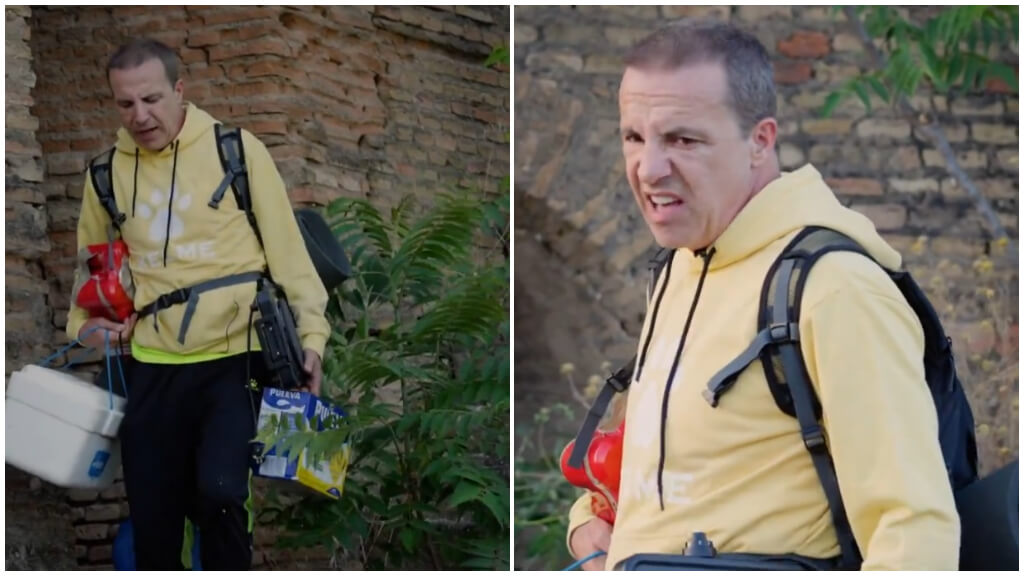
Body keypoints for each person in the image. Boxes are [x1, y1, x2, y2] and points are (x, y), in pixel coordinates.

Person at [566, 19, 959, 570]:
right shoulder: (681, 265)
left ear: (760, 141)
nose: (648, 169)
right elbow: (688, 469)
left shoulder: (835, 288)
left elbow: (912, 530)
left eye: (683, 139)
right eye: (634, 137)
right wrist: (591, 529)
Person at [66, 38, 330, 570]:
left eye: (152, 99)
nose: (140, 115)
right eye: (125, 104)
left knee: (220, 494)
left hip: (238, 359)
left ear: (179, 91)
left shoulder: (236, 149)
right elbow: (86, 307)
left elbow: (291, 260)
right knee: (156, 524)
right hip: (153, 371)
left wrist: (313, 341)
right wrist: (101, 334)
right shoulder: (104, 175)